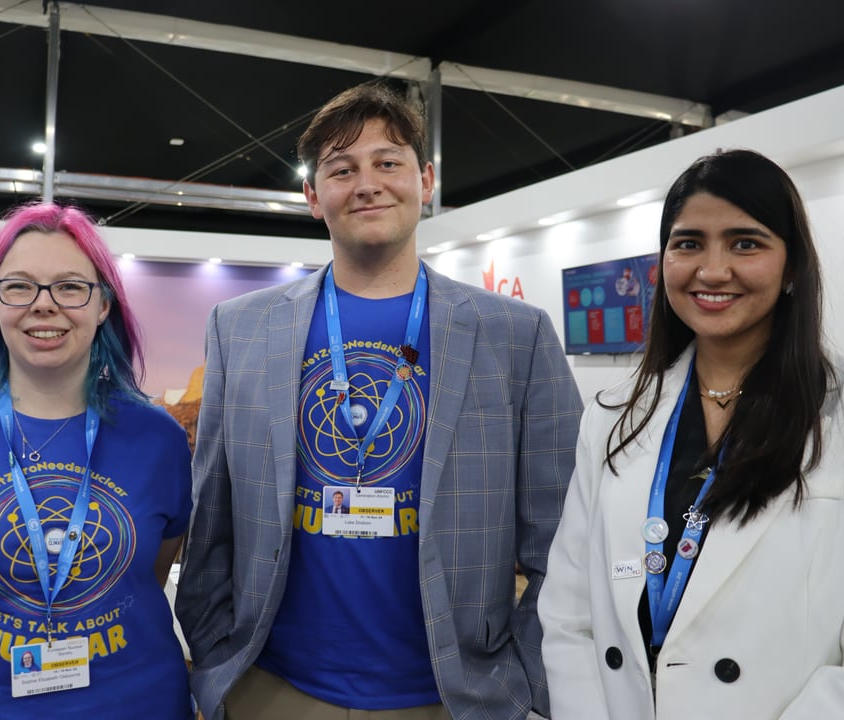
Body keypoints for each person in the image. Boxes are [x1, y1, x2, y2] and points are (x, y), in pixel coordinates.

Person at [176, 81, 583, 720]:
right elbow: (212, 519)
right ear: (313, 196)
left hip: (455, 695)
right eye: (342, 169)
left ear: (425, 180)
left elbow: (562, 539)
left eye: (387, 162)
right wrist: (215, 665)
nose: (366, 183)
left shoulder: (514, 334)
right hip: (275, 688)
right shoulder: (240, 327)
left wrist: (528, 685)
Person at [538, 149, 844, 720]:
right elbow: (569, 613)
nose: (712, 269)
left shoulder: (834, 415)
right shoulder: (612, 417)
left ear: (793, 264)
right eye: (688, 243)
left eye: (745, 242)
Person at [0, 203, 193, 719]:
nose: (43, 305)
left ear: (103, 305)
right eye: (20, 286)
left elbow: (148, 576)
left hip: (133, 703)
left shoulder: (158, 438)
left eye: (70, 286)